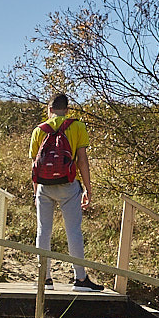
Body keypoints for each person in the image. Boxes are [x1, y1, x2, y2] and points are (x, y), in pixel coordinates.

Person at [28, 91, 101, 289]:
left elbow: (35, 165)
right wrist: (87, 188)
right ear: (67, 110)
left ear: (49, 109)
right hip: (69, 186)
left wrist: (36, 192)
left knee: (44, 230)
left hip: (44, 186)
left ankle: (45, 278)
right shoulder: (77, 126)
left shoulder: (39, 130)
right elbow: (82, 161)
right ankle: (80, 279)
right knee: (73, 231)